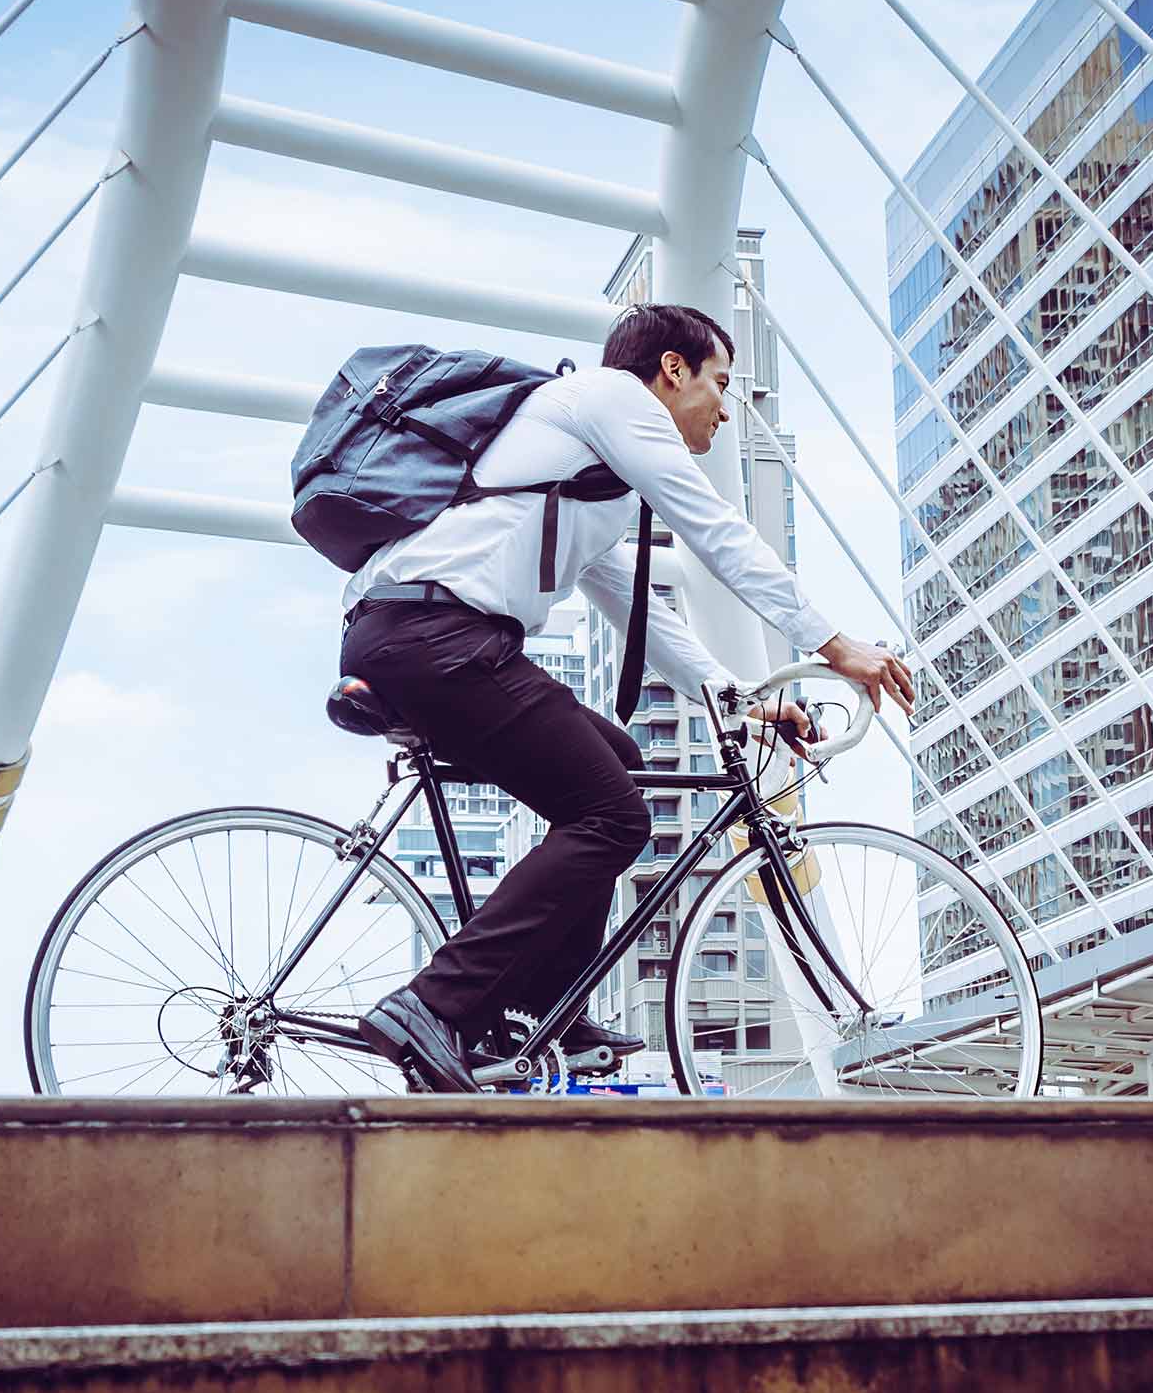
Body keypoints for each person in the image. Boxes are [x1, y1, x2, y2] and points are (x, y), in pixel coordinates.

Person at [340, 302, 914, 1092]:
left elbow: (634, 608)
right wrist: (836, 644)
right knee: (614, 815)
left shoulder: (594, 480)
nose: (724, 403)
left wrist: (741, 699)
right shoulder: (611, 399)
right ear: (670, 371)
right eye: (719, 381)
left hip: (427, 636)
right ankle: (433, 1004)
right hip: (436, 635)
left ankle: (545, 1010)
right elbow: (718, 532)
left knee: (618, 764)